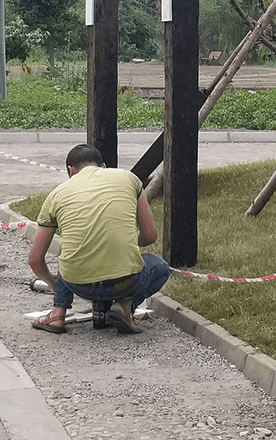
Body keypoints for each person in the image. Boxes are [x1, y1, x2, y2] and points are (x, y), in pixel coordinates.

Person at [28, 143, 170, 334]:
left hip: (77, 284)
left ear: (71, 171)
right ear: (102, 166)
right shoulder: (129, 179)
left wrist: (53, 282)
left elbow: (35, 260)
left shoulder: (55, 195)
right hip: (124, 283)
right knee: (159, 267)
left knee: (69, 252)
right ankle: (125, 306)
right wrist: (125, 243)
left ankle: (57, 314)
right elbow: (150, 235)